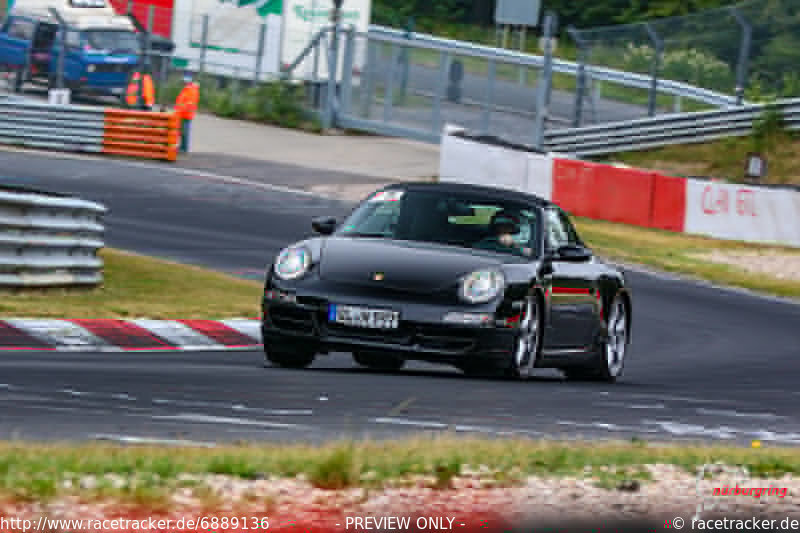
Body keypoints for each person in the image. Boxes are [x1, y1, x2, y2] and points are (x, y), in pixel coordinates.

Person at [174, 72, 199, 153]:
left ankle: (184, 149)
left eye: (185, 79)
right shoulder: (187, 89)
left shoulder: (191, 89)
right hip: (182, 113)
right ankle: (182, 147)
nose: (184, 81)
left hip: (186, 114)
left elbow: (189, 103)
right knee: (182, 132)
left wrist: (181, 109)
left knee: (184, 132)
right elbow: (182, 101)